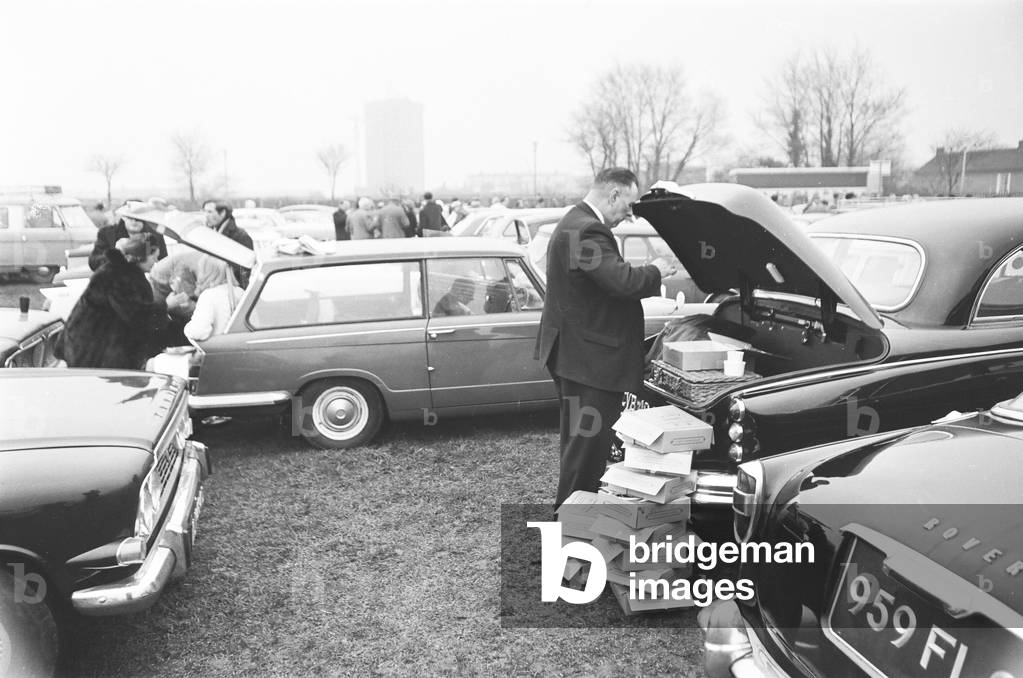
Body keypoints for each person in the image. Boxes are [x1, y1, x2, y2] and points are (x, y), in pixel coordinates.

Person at [534, 167, 674, 506]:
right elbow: (621, 281)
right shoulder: (587, 230)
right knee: (587, 453)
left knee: (578, 447)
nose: (628, 216)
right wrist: (657, 270)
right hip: (590, 366)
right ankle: (571, 530)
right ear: (613, 194)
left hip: (573, 357)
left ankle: (569, 522)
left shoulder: (573, 221)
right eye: (627, 206)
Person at [62, 233, 182, 369]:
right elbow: (136, 315)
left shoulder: (120, 271)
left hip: (90, 342)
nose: (156, 261)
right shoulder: (121, 276)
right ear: (140, 256)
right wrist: (167, 305)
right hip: (93, 349)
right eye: (153, 256)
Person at [88, 203, 168, 271]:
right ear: (123, 217)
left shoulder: (155, 235)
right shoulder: (107, 233)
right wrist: (117, 253)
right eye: (130, 217)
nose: (134, 221)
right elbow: (94, 263)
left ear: (145, 218)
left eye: (138, 218)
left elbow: (164, 263)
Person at [183, 255, 244, 342]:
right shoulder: (240, 292)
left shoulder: (208, 295)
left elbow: (199, 332)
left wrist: (187, 328)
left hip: (219, 349)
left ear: (206, 272)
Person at [202, 200, 253, 287]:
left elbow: (244, 270)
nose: (206, 215)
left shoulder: (240, 236)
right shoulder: (213, 233)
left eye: (210, 212)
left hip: (233, 289)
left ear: (222, 213)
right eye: (205, 211)